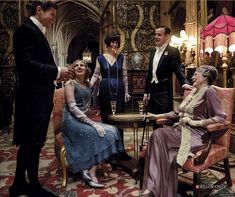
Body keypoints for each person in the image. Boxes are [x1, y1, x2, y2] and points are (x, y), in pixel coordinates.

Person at [10, 1, 74, 197]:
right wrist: (57, 70)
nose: (54, 20)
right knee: (33, 142)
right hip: (32, 99)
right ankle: (33, 186)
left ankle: (19, 183)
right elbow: (26, 64)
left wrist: (56, 74)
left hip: (36, 97)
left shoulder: (36, 31)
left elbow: (36, 65)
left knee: (30, 142)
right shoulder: (26, 31)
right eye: (52, 15)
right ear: (39, 10)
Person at [141, 65, 227, 197]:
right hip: (181, 130)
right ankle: (154, 187)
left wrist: (197, 122)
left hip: (196, 135)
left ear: (205, 78)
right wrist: (157, 116)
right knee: (157, 135)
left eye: (195, 74)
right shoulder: (193, 92)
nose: (192, 77)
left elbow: (221, 117)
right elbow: (176, 113)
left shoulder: (209, 91)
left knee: (159, 135)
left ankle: (154, 188)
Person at [62, 59, 123, 188]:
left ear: (86, 69)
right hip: (71, 120)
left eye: (82, 65)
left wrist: (93, 119)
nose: (79, 67)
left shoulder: (89, 85)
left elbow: (87, 105)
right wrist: (93, 124)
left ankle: (88, 171)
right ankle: (91, 173)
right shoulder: (70, 83)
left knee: (113, 130)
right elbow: (73, 108)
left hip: (83, 119)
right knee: (97, 133)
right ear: (73, 69)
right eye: (76, 65)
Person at [90, 32, 132, 160]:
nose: (115, 44)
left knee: (119, 120)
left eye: (116, 42)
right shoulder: (100, 58)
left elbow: (124, 76)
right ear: (108, 44)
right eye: (112, 42)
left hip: (119, 90)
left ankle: (121, 150)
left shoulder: (122, 57)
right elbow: (96, 75)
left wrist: (126, 92)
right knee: (107, 120)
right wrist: (88, 86)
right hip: (105, 90)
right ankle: (109, 152)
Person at [143, 26, 193, 128]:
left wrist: (185, 83)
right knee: (153, 119)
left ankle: (164, 141)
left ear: (167, 37)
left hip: (164, 91)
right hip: (153, 91)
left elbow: (178, 70)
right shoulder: (153, 52)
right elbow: (150, 73)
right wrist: (146, 92)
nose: (156, 37)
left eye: (159, 35)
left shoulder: (173, 51)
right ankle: (156, 141)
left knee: (162, 120)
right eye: (155, 34)